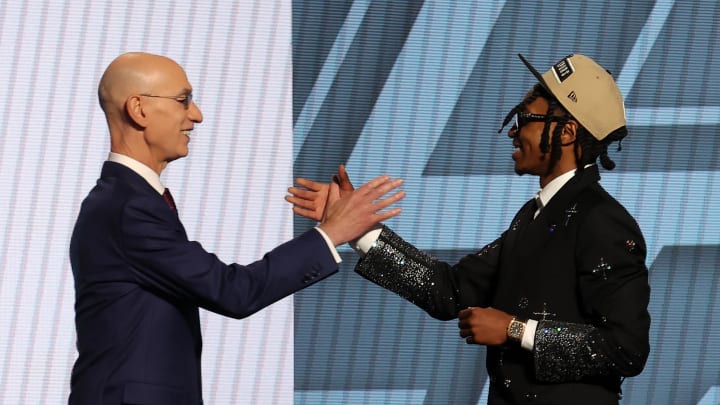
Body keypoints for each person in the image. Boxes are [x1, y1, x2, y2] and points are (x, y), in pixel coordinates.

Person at [287, 53, 651, 404]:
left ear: (568, 132)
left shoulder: (602, 221)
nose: (513, 130)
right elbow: (451, 290)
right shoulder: (534, 215)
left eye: (526, 117)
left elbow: (625, 348)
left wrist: (515, 329)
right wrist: (356, 229)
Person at [68, 52, 405, 405]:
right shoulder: (129, 208)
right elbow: (234, 291)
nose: (196, 115)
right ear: (138, 109)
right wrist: (333, 232)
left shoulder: (126, 200)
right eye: (183, 100)